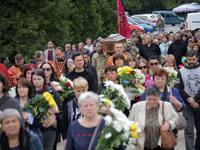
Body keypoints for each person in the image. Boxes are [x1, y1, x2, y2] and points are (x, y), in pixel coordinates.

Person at [128, 86, 178, 150]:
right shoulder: (136, 107)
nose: (152, 102)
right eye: (149, 99)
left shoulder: (167, 106)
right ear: (146, 98)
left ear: (159, 98)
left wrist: (169, 124)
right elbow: (129, 123)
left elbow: (176, 118)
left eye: (154, 99)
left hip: (160, 143)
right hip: (142, 144)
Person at [31, 69, 62, 150]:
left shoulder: (52, 91)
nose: (36, 81)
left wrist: (50, 111)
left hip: (49, 127)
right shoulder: (30, 93)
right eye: (34, 79)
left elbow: (60, 108)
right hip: (34, 127)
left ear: (43, 79)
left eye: (39, 79)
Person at [176, 50, 200, 150]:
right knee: (189, 130)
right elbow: (179, 87)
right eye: (189, 59)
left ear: (197, 58)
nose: (191, 61)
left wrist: (195, 99)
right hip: (187, 105)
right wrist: (190, 100)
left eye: (193, 59)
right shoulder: (181, 72)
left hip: (199, 103)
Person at [61, 77, 88, 146]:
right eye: (78, 91)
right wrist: (65, 138)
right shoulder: (69, 105)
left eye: (83, 90)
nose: (81, 93)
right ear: (74, 90)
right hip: (73, 138)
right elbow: (64, 124)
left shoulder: (92, 104)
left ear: (87, 90)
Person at [15, 78, 43, 142]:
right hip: (16, 137)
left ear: (29, 89)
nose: (21, 89)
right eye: (19, 87)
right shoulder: (12, 102)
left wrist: (29, 117)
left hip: (33, 136)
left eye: (24, 87)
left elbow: (40, 122)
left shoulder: (35, 102)